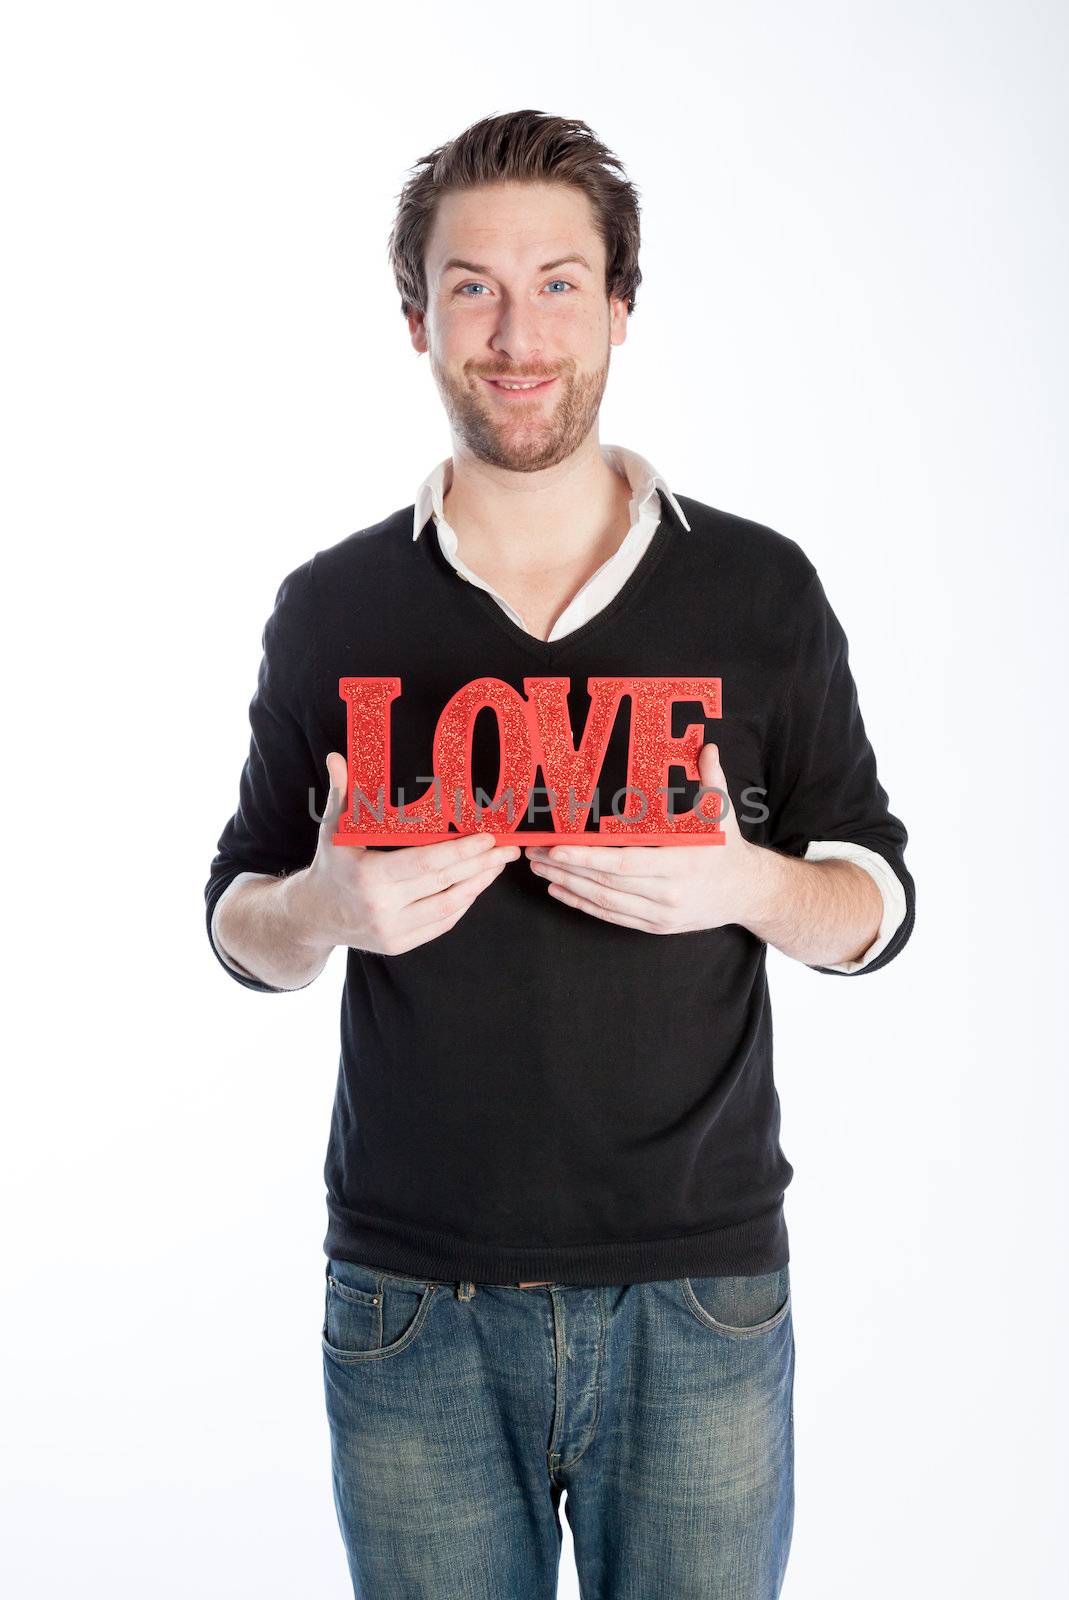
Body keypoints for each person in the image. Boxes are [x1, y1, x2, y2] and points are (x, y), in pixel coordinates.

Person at [204, 109, 915, 1600]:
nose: (515, 330)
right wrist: (325, 907)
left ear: (620, 306)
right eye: (471, 285)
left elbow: (873, 902)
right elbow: (238, 918)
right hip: (410, 1302)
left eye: (557, 281)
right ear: (415, 320)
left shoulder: (756, 589)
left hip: (698, 1293)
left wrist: (748, 885)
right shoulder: (332, 609)